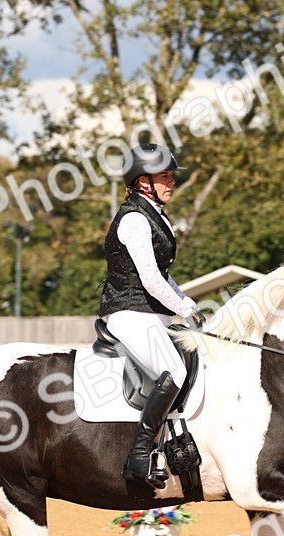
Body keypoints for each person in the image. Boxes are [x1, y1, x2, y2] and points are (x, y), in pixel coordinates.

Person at [99, 142, 205, 488]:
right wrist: (185, 308)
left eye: (171, 175)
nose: (172, 181)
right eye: (165, 176)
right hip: (129, 312)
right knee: (172, 369)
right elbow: (149, 278)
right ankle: (140, 454)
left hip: (151, 315)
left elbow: (165, 275)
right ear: (143, 181)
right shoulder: (133, 220)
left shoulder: (156, 216)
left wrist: (187, 303)